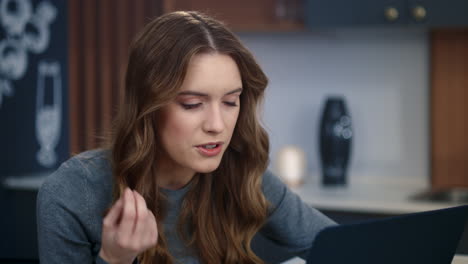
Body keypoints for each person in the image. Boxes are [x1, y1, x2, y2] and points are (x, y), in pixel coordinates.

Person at [36, 11, 335, 264]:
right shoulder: (71, 194)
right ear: (148, 108)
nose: (217, 125)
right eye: (192, 104)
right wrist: (114, 259)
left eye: (231, 102)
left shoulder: (242, 174)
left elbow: (343, 247)